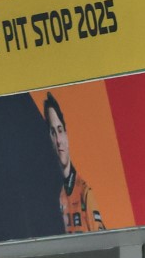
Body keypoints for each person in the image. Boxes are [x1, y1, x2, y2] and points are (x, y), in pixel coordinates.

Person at [43, 93, 105, 233]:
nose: (58, 140)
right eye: (53, 132)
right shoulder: (59, 195)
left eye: (60, 130)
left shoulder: (85, 191)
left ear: (67, 133)